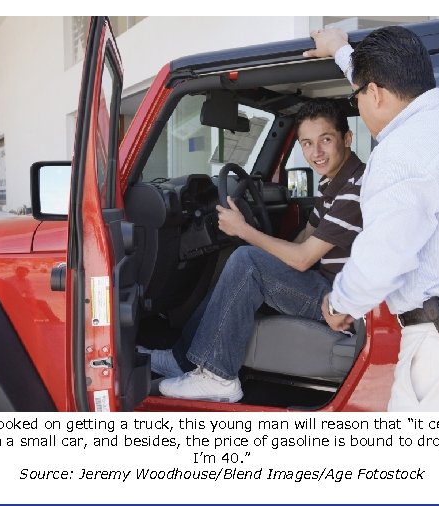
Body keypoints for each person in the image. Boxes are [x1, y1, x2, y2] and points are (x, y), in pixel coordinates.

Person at [305, 26, 439, 411]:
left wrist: (340, 306)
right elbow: (376, 83)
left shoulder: (399, 155)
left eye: (357, 98)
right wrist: (340, 50)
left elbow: (380, 261)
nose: (359, 108)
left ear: (375, 93)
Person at [143, 99, 366, 402]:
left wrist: (245, 231)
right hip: (327, 282)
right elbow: (305, 237)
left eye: (326, 140)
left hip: (337, 301)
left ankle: (218, 377)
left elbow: (302, 259)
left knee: (247, 262)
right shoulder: (335, 185)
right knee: (241, 265)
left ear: (347, 138)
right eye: (307, 143)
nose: (316, 153)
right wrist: (267, 246)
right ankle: (182, 360)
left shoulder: (354, 191)